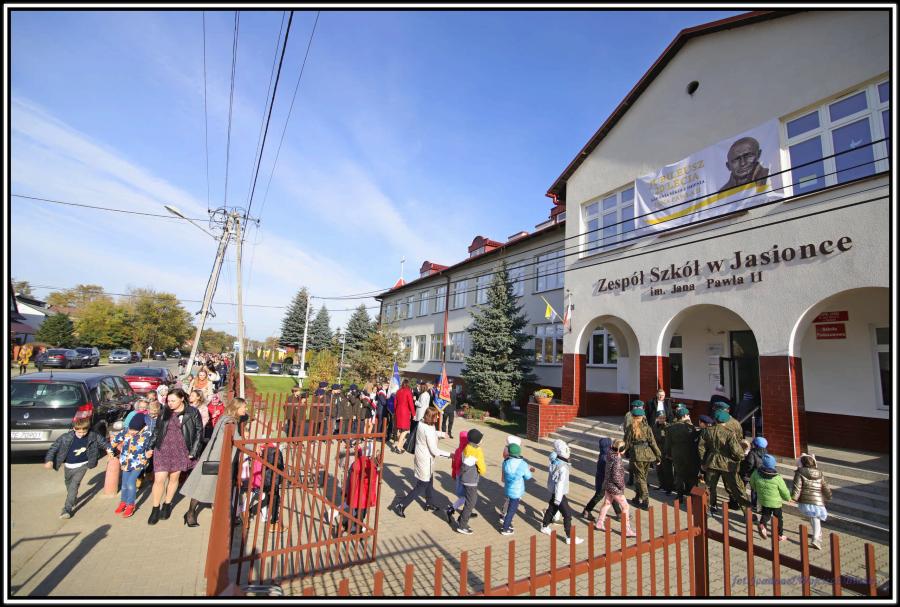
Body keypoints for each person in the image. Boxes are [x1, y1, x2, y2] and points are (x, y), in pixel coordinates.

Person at [180, 397, 248, 527]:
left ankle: (222, 515)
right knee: (204, 486)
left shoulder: (226, 418)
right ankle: (190, 513)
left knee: (215, 487)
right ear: (237, 407)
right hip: (216, 458)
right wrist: (255, 447)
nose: (246, 409)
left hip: (215, 456)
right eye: (244, 407)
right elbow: (238, 440)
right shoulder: (230, 422)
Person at [146, 388, 204, 525]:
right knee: (159, 479)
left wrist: (194, 450)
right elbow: (157, 430)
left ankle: (167, 504)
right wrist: (150, 447)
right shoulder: (164, 411)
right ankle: (155, 508)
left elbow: (199, 432)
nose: (170, 403)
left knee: (174, 478)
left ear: (182, 399)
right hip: (163, 448)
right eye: (168, 401)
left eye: (173, 401)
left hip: (180, 449)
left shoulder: (192, 412)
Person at [44, 417, 114, 518]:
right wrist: (49, 460)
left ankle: (67, 509)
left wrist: (109, 450)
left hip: (83, 465)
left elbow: (104, 443)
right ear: (74, 429)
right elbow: (53, 448)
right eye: (79, 432)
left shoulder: (93, 435)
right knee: (69, 483)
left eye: (84, 431)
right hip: (68, 465)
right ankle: (72, 498)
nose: (82, 434)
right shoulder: (65, 437)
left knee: (74, 485)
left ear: (88, 429)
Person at [390, 408, 450, 518]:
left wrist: (441, 433)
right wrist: (450, 455)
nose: (437, 418)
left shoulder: (422, 423)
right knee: (422, 485)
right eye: (436, 416)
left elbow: (432, 433)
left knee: (429, 479)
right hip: (425, 459)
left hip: (421, 456)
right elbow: (434, 451)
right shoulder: (428, 429)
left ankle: (429, 503)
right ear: (431, 417)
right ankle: (401, 505)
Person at [698, 408, 751, 514]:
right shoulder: (729, 433)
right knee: (737, 488)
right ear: (726, 420)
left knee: (710, 487)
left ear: (715, 419)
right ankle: (747, 512)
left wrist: (703, 462)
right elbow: (737, 451)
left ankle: (711, 508)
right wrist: (741, 456)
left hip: (711, 462)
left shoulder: (707, 431)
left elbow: (701, 448)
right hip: (728, 465)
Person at [540, 440, 583, 544]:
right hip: (559, 494)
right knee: (567, 514)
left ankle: (544, 526)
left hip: (554, 491)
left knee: (552, 509)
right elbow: (560, 483)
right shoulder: (563, 467)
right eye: (568, 451)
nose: (569, 454)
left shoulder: (554, 460)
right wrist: (558, 499)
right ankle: (569, 537)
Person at [110, 415, 153, 518]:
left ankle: (131, 505)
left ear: (142, 427)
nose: (132, 432)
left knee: (130, 482)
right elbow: (114, 441)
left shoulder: (147, 435)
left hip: (139, 463)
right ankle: (123, 502)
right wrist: (110, 450)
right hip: (126, 462)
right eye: (131, 429)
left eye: (135, 430)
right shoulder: (125, 432)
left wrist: (149, 452)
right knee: (124, 484)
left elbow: (152, 446)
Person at [594, 439, 635, 537]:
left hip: (607, 484)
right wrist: (621, 486)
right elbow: (616, 476)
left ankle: (599, 523)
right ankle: (626, 530)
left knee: (607, 503)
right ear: (621, 449)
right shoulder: (617, 459)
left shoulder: (610, 455)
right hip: (614, 486)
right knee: (625, 506)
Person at [791, 454, 832, 550]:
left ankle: (816, 538)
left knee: (813, 517)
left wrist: (794, 498)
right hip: (817, 500)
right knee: (814, 517)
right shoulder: (819, 473)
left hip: (806, 499)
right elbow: (824, 486)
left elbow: (797, 487)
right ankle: (817, 535)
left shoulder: (800, 472)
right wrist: (828, 495)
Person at [624, 404, 661, 510]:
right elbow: (653, 443)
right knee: (642, 477)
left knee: (640, 478)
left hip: (637, 455)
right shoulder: (647, 428)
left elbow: (627, 442)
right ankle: (637, 497)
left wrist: (623, 451)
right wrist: (658, 456)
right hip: (648, 455)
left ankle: (645, 501)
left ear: (633, 417)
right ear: (642, 417)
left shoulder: (631, 428)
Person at [750, 454, 793, 541]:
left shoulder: (756, 473)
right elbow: (783, 490)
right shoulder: (777, 477)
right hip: (775, 502)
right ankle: (779, 535)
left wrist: (757, 489)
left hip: (763, 500)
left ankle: (762, 525)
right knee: (778, 518)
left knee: (766, 514)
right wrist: (788, 498)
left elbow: (752, 483)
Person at [665, 405, 701, 503]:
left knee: (679, 475)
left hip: (676, 454)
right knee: (691, 475)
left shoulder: (670, 428)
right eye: (688, 415)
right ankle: (692, 495)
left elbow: (668, 444)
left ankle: (679, 496)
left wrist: (668, 454)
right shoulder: (690, 427)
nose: (689, 416)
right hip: (689, 454)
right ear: (684, 416)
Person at [582, 437, 621, 521]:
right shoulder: (606, 457)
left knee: (612, 495)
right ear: (609, 446)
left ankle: (619, 513)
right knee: (599, 496)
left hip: (603, 480)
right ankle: (587, 511)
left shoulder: (604, 454)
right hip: (604, 481)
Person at [455, 428, 486, 534]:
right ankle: (462, 526)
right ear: (477, 440)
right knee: (471, 502)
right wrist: (482, 471)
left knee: (469, 500)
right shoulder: (477, 451)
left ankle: (461, 519)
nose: (482, 440)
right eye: (481, 439)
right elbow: (481, 466)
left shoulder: (467, 447)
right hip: (471, 481)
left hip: (465, 478)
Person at [500, 442, 534, 535]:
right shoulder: (523, 464)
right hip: (517, 491)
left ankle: (504, 519)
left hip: (508, 488)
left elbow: (504, 476)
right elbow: (528, 477)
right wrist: (527, 470)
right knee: (512, 510)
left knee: (509, 505)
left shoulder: (505, 462)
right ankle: (505, 528)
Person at [446, 430, 474, 522]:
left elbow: (454, 465)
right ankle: (451, 509)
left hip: (459, 475)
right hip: (464, 477)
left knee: (466, 496)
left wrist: (454, 474)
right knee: (465, 497)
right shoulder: (466, 452)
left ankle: (467, 511)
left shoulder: (458, 450)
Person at [740, 436, 769, 512]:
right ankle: (754, 505)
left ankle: (742, 502)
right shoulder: (766, 452)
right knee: (755, 490)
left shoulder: (752, 453)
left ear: (755, 445)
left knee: (742, 486)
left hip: (749, 474)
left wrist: (744, 470)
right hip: (759, 474)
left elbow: (749, 464)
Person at [499, 435, 522, 523]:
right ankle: (505, 515)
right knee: (512, 499)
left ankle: (504, 512)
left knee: (510, 498)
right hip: (513, 483)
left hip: (510, 481)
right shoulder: (511, 460)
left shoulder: (507, 455)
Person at [652, 412, 675, 495]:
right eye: (660, 418)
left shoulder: (668, 427)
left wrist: (669, 453)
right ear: (657, 418)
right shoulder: (654, 426)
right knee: (659, 469)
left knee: (667, 471)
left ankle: (669, 488)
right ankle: (662, 485)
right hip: (657, 451)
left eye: (664, 418)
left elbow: (670, 441)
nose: (662, 419)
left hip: (666, 451)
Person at [393, 379, 415, 454]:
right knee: (405, 430)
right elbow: (411, 403)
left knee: (399, 429)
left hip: (398, 410)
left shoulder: (398, 391)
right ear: (408, 384)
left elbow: (395, 402)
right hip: (405, 412)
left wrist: (395, 411)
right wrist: (414, 413)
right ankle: (398, 447)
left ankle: (400, 446)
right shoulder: (408, 391)